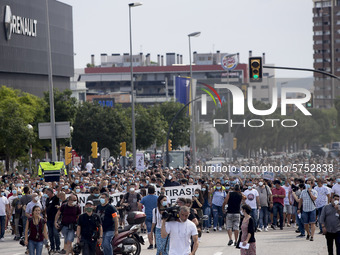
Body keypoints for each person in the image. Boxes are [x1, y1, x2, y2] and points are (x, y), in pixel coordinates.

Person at [140, 185, 158, 250]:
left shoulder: (144, 198)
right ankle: (156, 244)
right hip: (156, 216)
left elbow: (140, 204)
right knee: (156, 231)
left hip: (148, 215)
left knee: (149, 230)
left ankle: (151, 244)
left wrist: (141, 212)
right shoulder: (157, 197)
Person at [45, 188, 61, 253]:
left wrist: (59, 187)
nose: (47, 194)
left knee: (56, 233)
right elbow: (46, 207)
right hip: (49, 219)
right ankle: (52, 247)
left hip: (55, 219)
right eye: (46, 193)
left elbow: (58, 194)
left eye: (48, 192)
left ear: (52, 193)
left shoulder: (55, 198)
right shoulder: (47, 200)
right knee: (50, 234)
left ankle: (58, 248)